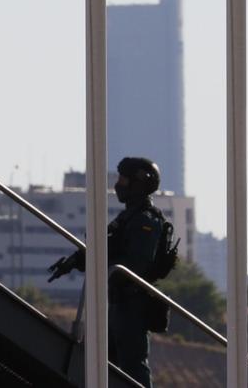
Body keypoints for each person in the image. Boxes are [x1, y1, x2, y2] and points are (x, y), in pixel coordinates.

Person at [48, 156, 179, 385]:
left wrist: (105, 267)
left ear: (139, 184)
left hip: (132, 303)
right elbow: (106, 246)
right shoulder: (128, 217)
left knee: (132, 366)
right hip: (117, 301)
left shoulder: (147, 221)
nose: (119, 185)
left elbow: (136, 264)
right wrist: (75, 261)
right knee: (104, 362)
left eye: (124, 180)